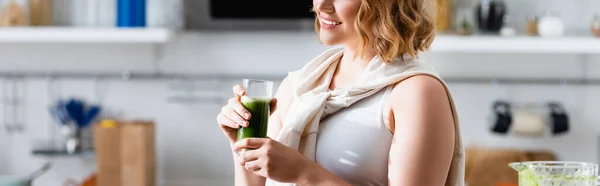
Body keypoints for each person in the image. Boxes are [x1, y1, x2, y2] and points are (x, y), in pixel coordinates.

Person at [216, 0, 465, 185]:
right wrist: (243, 146)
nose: (321, 5)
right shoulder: (300, 86)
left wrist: (304, 173)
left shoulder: (415, 93)